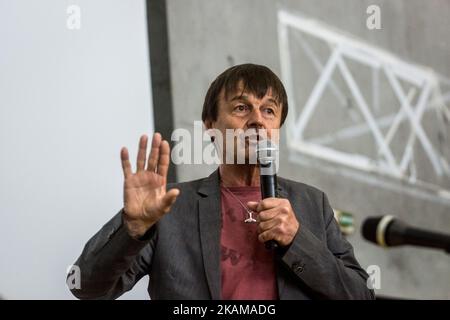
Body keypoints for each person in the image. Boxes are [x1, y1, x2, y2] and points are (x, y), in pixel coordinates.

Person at [69, 64, 374, 300]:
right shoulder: (171, 209)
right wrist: (132, 228)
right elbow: (86, 287)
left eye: (268, 110)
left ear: (277, 128)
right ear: (211, 126)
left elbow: (361, 294)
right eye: (241, 107)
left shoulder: (312, 204)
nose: (257, 119)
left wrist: (298, 240)